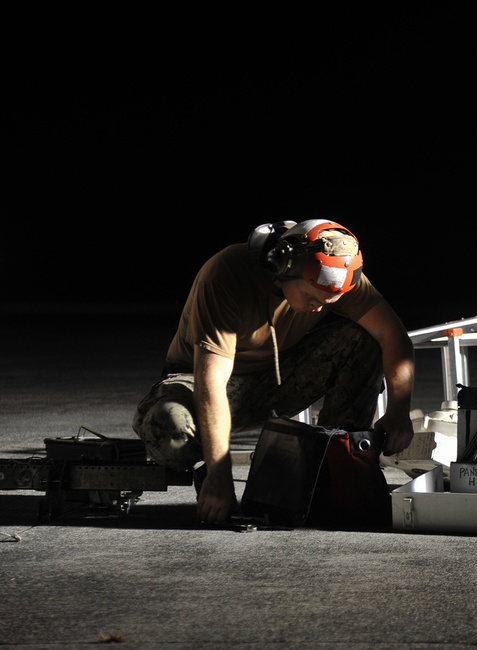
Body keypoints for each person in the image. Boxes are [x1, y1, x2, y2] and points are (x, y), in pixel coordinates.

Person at [133, 219, 415, 525]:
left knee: (363, 340)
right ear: (282, 267)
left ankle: (335, 465)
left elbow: (393, 335)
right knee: (167, 428)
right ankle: (206, 463)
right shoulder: (226, 274)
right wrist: (219, 473)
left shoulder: (336, 274)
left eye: (328, 302)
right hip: (201, 382)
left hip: (277, 379)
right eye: (312, 298)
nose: (320, 309)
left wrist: (399, 410)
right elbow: (211, 381)